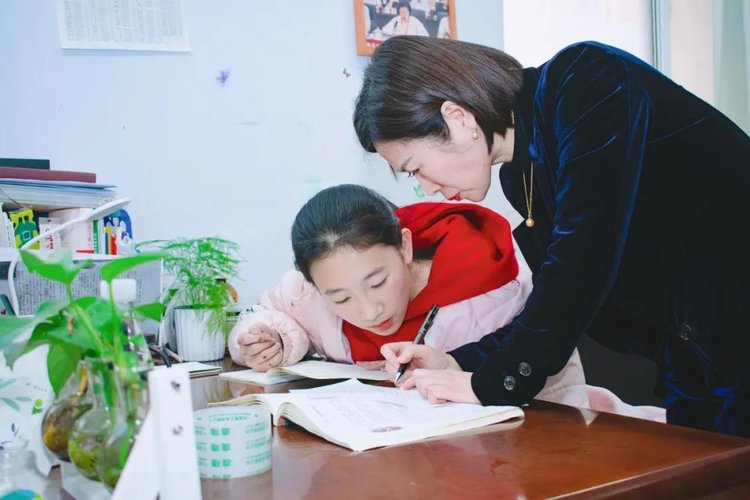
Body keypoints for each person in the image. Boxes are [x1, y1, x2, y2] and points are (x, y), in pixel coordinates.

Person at [353, 36, 750, 437]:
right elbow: (550, 299)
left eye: (416, 167)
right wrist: (460, 363)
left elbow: (581, 267)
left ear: (457, 118)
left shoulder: (585, 79)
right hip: (699, 359)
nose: (426, 188)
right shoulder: (519, 177)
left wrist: (492, 383)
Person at [228, 184, 665, 421]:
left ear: (404, 246)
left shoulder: (490, 290)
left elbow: (550, 389)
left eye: (378, 282)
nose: (368, 310)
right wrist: (273, 338)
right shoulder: (308, 291)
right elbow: (267, 313)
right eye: (339, 298)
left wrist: (463, 374)